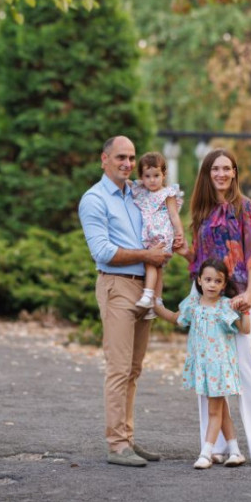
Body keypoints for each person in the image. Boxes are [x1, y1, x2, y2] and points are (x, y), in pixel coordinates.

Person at [175, 147, 251, 467]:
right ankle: (214, 445)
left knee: (244, 369)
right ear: (207, 173)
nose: (221, 174)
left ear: (234, 173)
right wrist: (184, 253)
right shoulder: (201, 211)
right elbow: (200, 261)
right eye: (215, 169)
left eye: (226, 168)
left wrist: (250, 294)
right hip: (205, 300)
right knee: (207, 371)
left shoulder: (244, 207)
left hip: (236, 297)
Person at [78, 136, 170, 467]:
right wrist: (147, 255)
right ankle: (116, 445)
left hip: (146, 286)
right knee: (118, 368)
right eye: (120, 157)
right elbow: (102, 251)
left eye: (131, 157)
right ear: (104, 159)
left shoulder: (139, 193)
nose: (128, 163)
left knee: (134, 368)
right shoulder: (94, 199)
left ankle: (127, 438)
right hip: (117, 286)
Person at [152, 258, 250, 469]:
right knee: (220, 408)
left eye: (218, 281)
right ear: (199, 280)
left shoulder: (226, 305)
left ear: (224, 284)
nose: (212, 284)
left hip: (220, 367)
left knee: (214, 411)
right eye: (208, 280)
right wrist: (156, 306)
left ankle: (206, 453)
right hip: (203, 366)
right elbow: (176, 318)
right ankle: (235, 451)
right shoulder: (193, 304)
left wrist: (246, 310)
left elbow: (245, 329)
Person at [132, 151, 185, 319]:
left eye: (156, 175)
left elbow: (174, 215)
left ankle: (148, 295)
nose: (152, 180)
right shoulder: (142, 192)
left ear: (164, 175)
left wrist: (180, 233)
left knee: (150, 262)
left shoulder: (167, 193)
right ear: (141, 177)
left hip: (162, 235)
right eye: (147, 176)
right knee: (158, 268)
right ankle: (157, 302)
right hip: (149, 234)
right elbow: (128, 183)